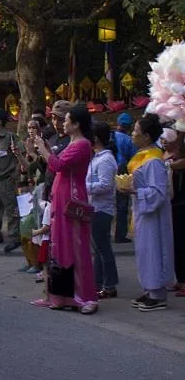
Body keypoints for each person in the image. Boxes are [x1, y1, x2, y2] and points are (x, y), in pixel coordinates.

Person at [29, 104, 98, 314]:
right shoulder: (72, 143)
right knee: (59, 247)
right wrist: (44, 149)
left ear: (76, 124)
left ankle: (85, 297)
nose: (62, 123)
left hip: (71, 201)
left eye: (66, 120)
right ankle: (59, 296)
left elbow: (57, 166)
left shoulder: (82, 144)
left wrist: (41, 147)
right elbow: (56, 164)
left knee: (76, 247)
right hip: (61, 198)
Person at [121, 114, 174, 311]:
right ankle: (149, 289)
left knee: (154, 250)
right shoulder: (143, 155)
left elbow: (159, 192)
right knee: (144, 251)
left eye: (136, 131)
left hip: (154, 215)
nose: (132, 134)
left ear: (146, 136)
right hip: (142, 211)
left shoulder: (153, 160)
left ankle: (158, 293)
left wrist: (135, 191)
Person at [87, 121, 119, 300]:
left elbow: (105, 185)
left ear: (96, 138)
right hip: (95, 208)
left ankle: (109, 285)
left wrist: (84, 187)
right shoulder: (97, 157)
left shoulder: (106, 159)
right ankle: (98, 283)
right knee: (98, 248)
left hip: (102, 209)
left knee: (103, 249)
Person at [0, 109, 22, 252]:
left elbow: (21, 154)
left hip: (6, 179)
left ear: (0, 122)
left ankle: (14, 237)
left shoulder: (10, 137)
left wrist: (17, 171)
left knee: (11, 209)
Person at [161, 128, 185, 295]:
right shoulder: (165, 155)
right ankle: (180, 279)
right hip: (171, 204)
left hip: (181, 204)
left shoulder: (179, 157)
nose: (164, 142)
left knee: (181, 242)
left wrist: (169, 164)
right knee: (175, 243)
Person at [113, 113, 137, 243]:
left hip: (107, 169)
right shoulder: (129, 140)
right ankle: (120, 234)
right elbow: (133, 158)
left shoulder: (111, 136)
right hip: (122, 172)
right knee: (122, 204)